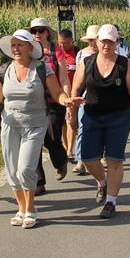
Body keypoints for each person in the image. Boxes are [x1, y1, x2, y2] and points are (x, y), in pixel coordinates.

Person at [0, 30, 81, 229]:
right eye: (13, 45)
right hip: (10, 125)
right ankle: (20, 209)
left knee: (25, 168)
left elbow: (57, 92)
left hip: (35, 125)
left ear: (31, 47)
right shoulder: (4, 70)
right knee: (12, 171)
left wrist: (67, 101)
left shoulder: (41, 68)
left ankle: (30, 209)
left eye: (20, 45)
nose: (16, 49)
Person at [70, 24, 130, 219]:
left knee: (114, 160)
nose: (106, 44)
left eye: (111, 41)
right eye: (103, 40)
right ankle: (102, 183)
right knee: (87, 159)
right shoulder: (86, 63)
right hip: (92, 117)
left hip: (118, 117)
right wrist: (72, 112)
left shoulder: (123, 64)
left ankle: (111, 201)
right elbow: (76, 89)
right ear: (96, 41)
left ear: (116, 42)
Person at [27, 17, 71, 192]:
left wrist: (66, 99)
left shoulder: (56, 51)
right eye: (34, 31)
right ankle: (39, 182)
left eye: (40, 30)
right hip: (34, 102)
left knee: (52, 139)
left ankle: (61, 161)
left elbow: (63, 78)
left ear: (47, 33)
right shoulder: (28, 50)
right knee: (33, 142)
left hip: (54, 101)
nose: (37, 34)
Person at [72, 24, 100, 175]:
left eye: (95, 40)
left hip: (104, 96)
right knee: (83, 126)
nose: (92, 43)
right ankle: (80, 160)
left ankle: (101, 154)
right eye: (90, 40)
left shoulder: (111, 54)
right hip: (86, 95)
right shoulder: (82, 54)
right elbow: (78, 77)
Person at [57, 29, 79, 162]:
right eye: (60, 43)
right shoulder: (56, 54)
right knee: (62, 124)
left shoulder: (77, 53)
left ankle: (70, 150)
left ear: (72, 41)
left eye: (65, 43)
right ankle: (65, 149)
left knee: (70, 121)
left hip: (73, 93)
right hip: (59, 94)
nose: (62, 46)